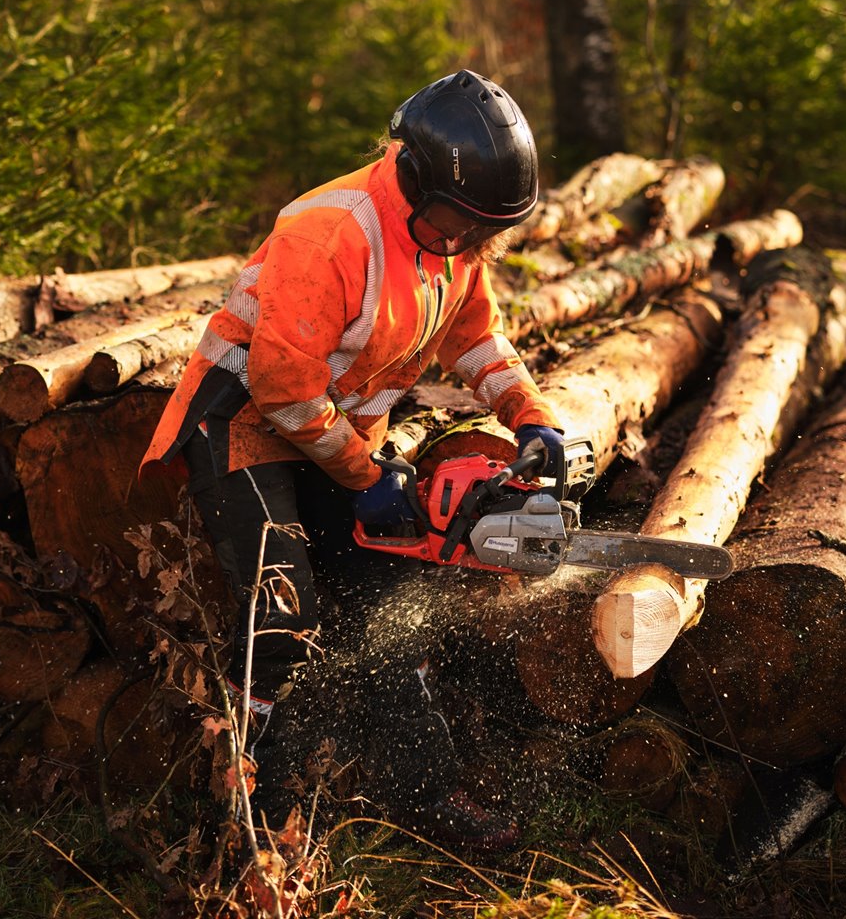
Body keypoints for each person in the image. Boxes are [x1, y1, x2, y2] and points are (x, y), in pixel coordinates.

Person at [139, 69, 565, 847]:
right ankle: (245, 812)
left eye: (481, 232)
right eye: (456, 225)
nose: (466, 244)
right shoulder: (332, 232)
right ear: (414, 175)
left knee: (391, 587)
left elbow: (474, 337)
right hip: (241, 423)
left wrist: (532, 417)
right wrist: (369, 476)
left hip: (330, 436)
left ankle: (422, 789)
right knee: (284, 604)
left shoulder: (453, 235)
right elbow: (283, 389)